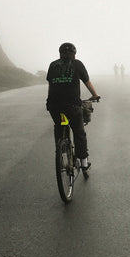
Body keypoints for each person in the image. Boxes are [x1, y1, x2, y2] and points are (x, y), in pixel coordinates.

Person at [46, 42, 100, 171]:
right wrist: (95, 95)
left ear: (60, 53)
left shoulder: (53, 65)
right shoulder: (77, 64)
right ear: (74, 54)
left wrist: (51, 102)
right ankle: (84, 163)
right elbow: (87, 82)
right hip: (72, 106)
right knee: (79, 132)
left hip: (54, 106)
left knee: (60, 129)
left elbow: (51, 85)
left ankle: (63, 158)